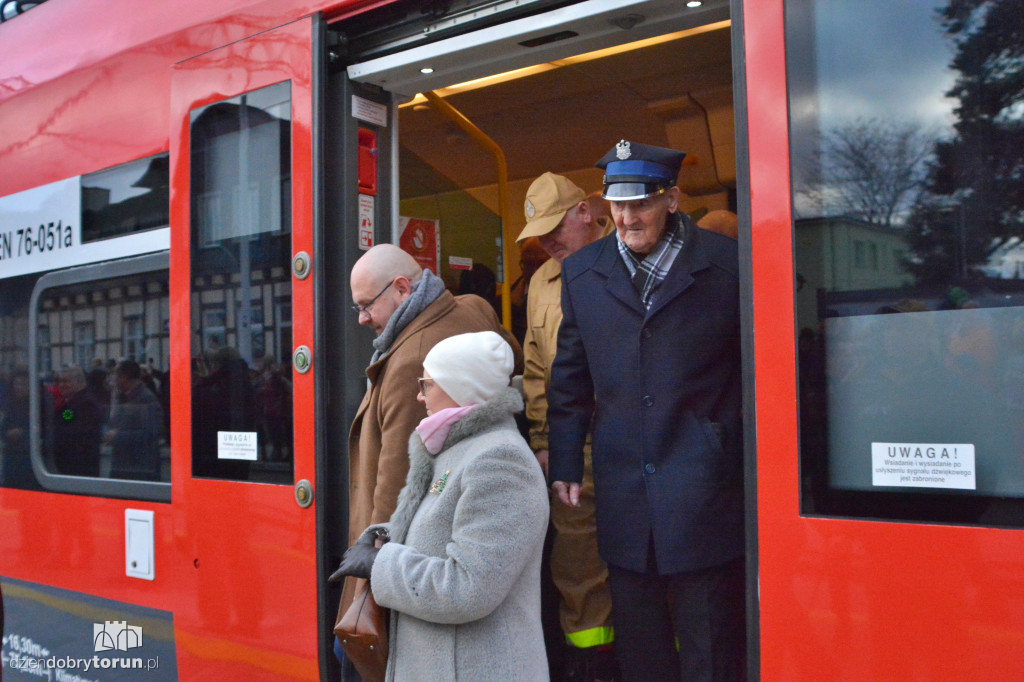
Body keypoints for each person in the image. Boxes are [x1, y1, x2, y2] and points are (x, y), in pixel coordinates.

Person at [548, 140, 745, 682]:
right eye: (617, 204)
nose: (627, 217)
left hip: (704, 483)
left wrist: (728, 444)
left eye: (642, 203)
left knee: (710, 637)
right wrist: (565, 458)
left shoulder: (727, 264)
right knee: (639, 641)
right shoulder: (583, 271)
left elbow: (753, 370)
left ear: (673, 199)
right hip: (623, 485)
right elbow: (570, 374)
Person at [341, 244, 523, 671]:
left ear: (402, 288)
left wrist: (372, 570)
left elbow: (398, 479)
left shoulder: (410, 357)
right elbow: (510, 359)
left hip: (420, 564)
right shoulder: (474, 308)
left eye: (367, 306)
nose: (363, 319)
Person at [332, 331, 549, 681]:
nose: (419, 396)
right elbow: (441, 529)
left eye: (427, 383)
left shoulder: (500, 460)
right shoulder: (463, 449)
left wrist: (379, 563)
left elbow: (469, 587)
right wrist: (383, 537)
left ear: (459, 386)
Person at [516, 171, 617, 680]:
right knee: (577, 568)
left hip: (635, 443)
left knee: (650, 563)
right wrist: (545, 442)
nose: (550, 240)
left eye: (558, 225)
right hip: (574, 450)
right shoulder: (541, 282)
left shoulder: (632, 260)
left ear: (586, 213)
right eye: (541, 231)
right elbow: (537, 371)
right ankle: (590, 665)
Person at [105, 359, 164, 481]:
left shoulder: (146, 399)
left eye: (116, 377)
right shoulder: (126, 396)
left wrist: (117, 436)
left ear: (124, 377)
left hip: (138, 468)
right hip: (128, 467)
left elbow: (150, 433)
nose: (113, 380)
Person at [50, 365, 104, 477]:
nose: (61, 385)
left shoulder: (86, 405)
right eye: (59, 382)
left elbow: (76, 433)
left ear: (79, 382)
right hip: (74, 468)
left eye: (65, 381)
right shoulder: (74, 402)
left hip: (80, 470)